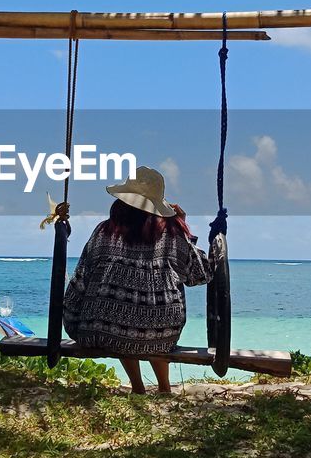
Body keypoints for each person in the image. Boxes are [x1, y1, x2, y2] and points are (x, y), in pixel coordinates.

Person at [63, 165, 221, 394]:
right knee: (150, 315)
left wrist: (74, 319)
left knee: (117, 314)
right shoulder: (172, 235)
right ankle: (164, 388)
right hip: (160, 335)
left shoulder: (103, 232)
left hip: (101, 332)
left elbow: (81, 281)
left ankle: (138, 387)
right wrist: (185, 229)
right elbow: (201, 274)